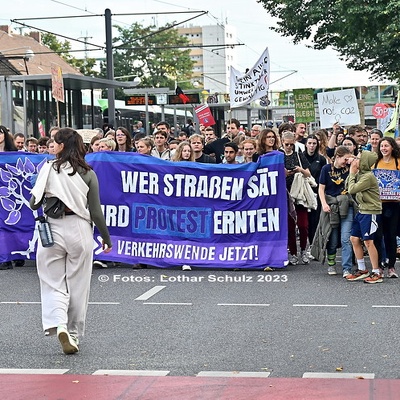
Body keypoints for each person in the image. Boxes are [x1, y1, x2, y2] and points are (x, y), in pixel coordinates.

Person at [30, 127, 112, 354]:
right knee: (79, 284)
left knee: (52, 281)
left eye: (54, 142)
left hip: (52, 230)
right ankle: (73, 334)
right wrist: (106, 238)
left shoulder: (48, 168)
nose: (51, 146)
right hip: (79, 229)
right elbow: (96, 211)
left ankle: (60, 323)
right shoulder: (88, 173)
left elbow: (33, 203)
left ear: (62, 146)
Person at [311, 146, 354, 277]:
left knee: (346, 238)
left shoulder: (349, 168)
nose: (346, 162)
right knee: (333, 238)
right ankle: (331, 264)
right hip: (331, 206)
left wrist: (353, 162)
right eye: (345, 159)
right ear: (338, 156)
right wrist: (323, 204)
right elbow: (321, 189)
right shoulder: (326, 169)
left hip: (346, 204)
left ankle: (347, 268)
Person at [346, 151, 382, 283]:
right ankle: (362, 269)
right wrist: (353, 173)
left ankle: (376, 272)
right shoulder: (361, 174)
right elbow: (347, 186)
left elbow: (352, 190)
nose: (356, 160)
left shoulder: (368, 177)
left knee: (368, 242)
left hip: (371, 211)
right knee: (354, 238)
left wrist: (351, 173)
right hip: (362, 210)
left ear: (365, 162)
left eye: (359, 159)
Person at [281, 131, 311, 265]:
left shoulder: (299, 155)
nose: (288, 147)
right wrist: (284, 173)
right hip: (285, 194)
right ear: (282, 142)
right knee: (290, 226)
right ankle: (293, 253)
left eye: (291, 145)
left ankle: (304, 250)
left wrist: (299, 170)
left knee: (303, 225)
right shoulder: (278, 155)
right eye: (286, 144)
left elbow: (308, 173)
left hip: (299, 194)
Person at [373, 136, 400, 278]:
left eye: (386, 146)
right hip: (377, 205)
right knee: (377, 235)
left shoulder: (398, 163)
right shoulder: (375, 163)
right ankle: (379, 265)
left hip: (394, 205)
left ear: (392, 148)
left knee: (391, 235)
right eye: (381, 146)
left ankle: (391, 266)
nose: (383, 148)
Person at [303, 135, 327, 247]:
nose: (312, 146)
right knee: (304, 222)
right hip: (303, 192)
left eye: (314, 143)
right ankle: (305, 245)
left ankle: (314, 244)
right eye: (310, 143)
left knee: (315, 220)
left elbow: (324, 176)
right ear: (306, 144)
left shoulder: (321, 159)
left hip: (316, 192)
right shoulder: (300, 156)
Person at [0, 126, 18, 270]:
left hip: (10, 192)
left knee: (9, 224)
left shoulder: (13, 153)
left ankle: (14, 255)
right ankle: (3, 257)